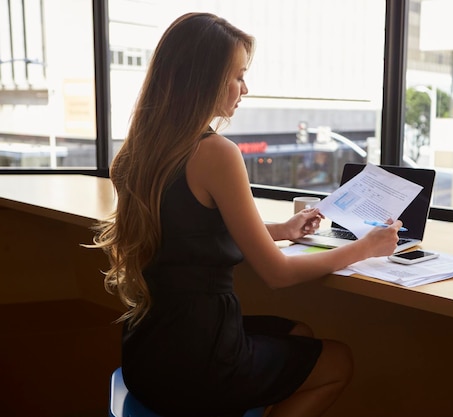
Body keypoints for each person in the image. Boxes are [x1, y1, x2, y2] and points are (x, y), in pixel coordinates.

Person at [92, 12, 403, 417]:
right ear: (204, 79)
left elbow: (190, 231)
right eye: (237, 76)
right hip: (197, 363)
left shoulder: (139, 150)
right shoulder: (216, 153)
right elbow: (278, 274)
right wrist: (364, 248)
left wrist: (282, 229)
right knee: (338, 361)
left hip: (148, 352)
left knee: (299, 334)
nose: (245, 88)